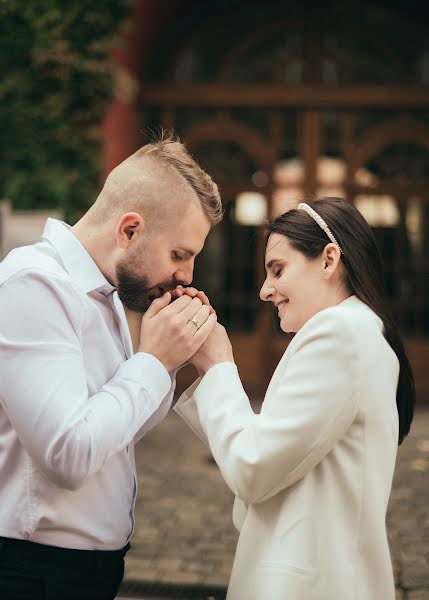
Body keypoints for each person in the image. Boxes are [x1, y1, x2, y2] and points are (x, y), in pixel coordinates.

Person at [0, 134, 221, 600]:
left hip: (90, 569)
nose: (187, 276)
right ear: (129, 230)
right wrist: (153, 360)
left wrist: (169, 360)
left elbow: (119, 432)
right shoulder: (35, 285)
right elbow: (70, 455)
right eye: (180, 254)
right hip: (33, 572)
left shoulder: (109, 293)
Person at [175, 197, 415, 600]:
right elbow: (276, 456)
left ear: (328, 260)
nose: (265, 291)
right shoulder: (360, 331)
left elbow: (253, 466)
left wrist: (217, 365)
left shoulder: (338, 334)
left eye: (278, 270)